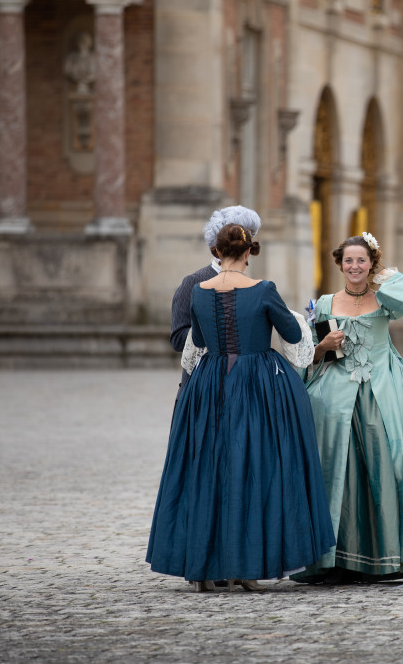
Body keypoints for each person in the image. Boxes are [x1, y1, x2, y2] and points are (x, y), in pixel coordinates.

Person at [147, 223, 335, 591]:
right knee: (254, 466)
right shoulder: (263, 290)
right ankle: (246, 568)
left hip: (210, 384)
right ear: (249, 253)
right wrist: (299, 320)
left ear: (217, 252)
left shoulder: (199, 291)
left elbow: (198, 341)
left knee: (208, 468)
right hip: (256, 385)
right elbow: (293, 337)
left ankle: (203, 570)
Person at [293, 232, 403, 585]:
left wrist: (386, 277)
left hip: (384, 390)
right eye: (348, 260)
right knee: (337, 471)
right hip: (336, 397)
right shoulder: (325, 303)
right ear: (339, 264)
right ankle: (335, 560)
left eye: (361, 260)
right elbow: (309, 356)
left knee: (388, 466)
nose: (354, 266)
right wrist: (324, 344)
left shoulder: (385, 299)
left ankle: (389, 558)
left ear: (371, 263)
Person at [169, 206, 262, 397]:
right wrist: (216, 331)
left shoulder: (253, 285)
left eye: (249, 237)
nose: (246, 243)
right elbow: (178, 338)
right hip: (202, 385)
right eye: (239, 236)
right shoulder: (195, 281)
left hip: (241, 385)